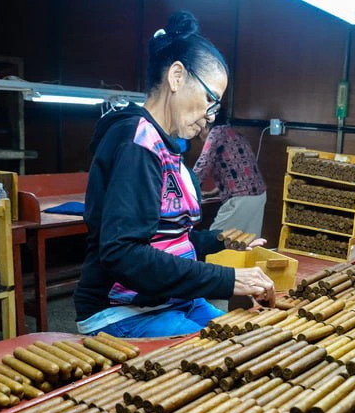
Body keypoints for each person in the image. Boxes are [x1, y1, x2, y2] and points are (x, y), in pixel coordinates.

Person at [74, 11, 274, 338]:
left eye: (216, 108)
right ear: (177, 76)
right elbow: (122, 254)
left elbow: (169, 239)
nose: (210, 117)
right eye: (210, 100)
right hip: (122, 310)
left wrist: (221, 241)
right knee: (219, 359)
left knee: (247, 338)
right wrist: (229, 279)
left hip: (174, 300)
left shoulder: (171, 148)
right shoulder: (136, 142)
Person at [193, 110, 267, 236]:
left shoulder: (215, 133)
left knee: (215, 241)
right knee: (246, 244)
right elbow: (239, 171)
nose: (200, 139)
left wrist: (183, 190)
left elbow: (202, 166)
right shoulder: (233, 133)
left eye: (199, 134)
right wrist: (214, 192)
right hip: (259, 196)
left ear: (205, 125)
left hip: (241, 200)